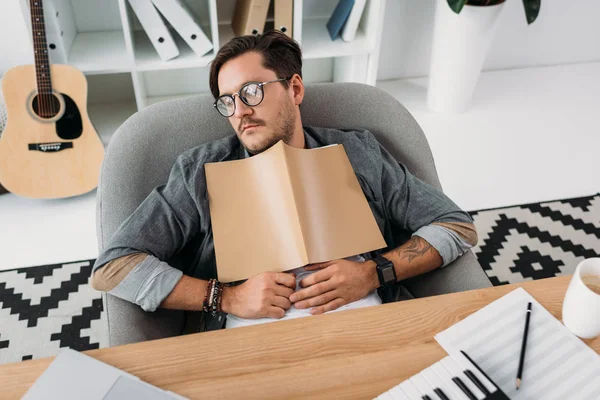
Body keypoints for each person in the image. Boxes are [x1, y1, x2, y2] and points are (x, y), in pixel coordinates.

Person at [90, 30, 478, 331]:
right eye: (228, 101)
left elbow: (457, 227)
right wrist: (225, 297)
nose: (240, 111)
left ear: (294, 88)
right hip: (254, 341)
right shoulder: (199, 171)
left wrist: (374, 273)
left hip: (363, 327)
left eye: (252, 92)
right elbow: (114, 267)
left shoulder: (357, 150)